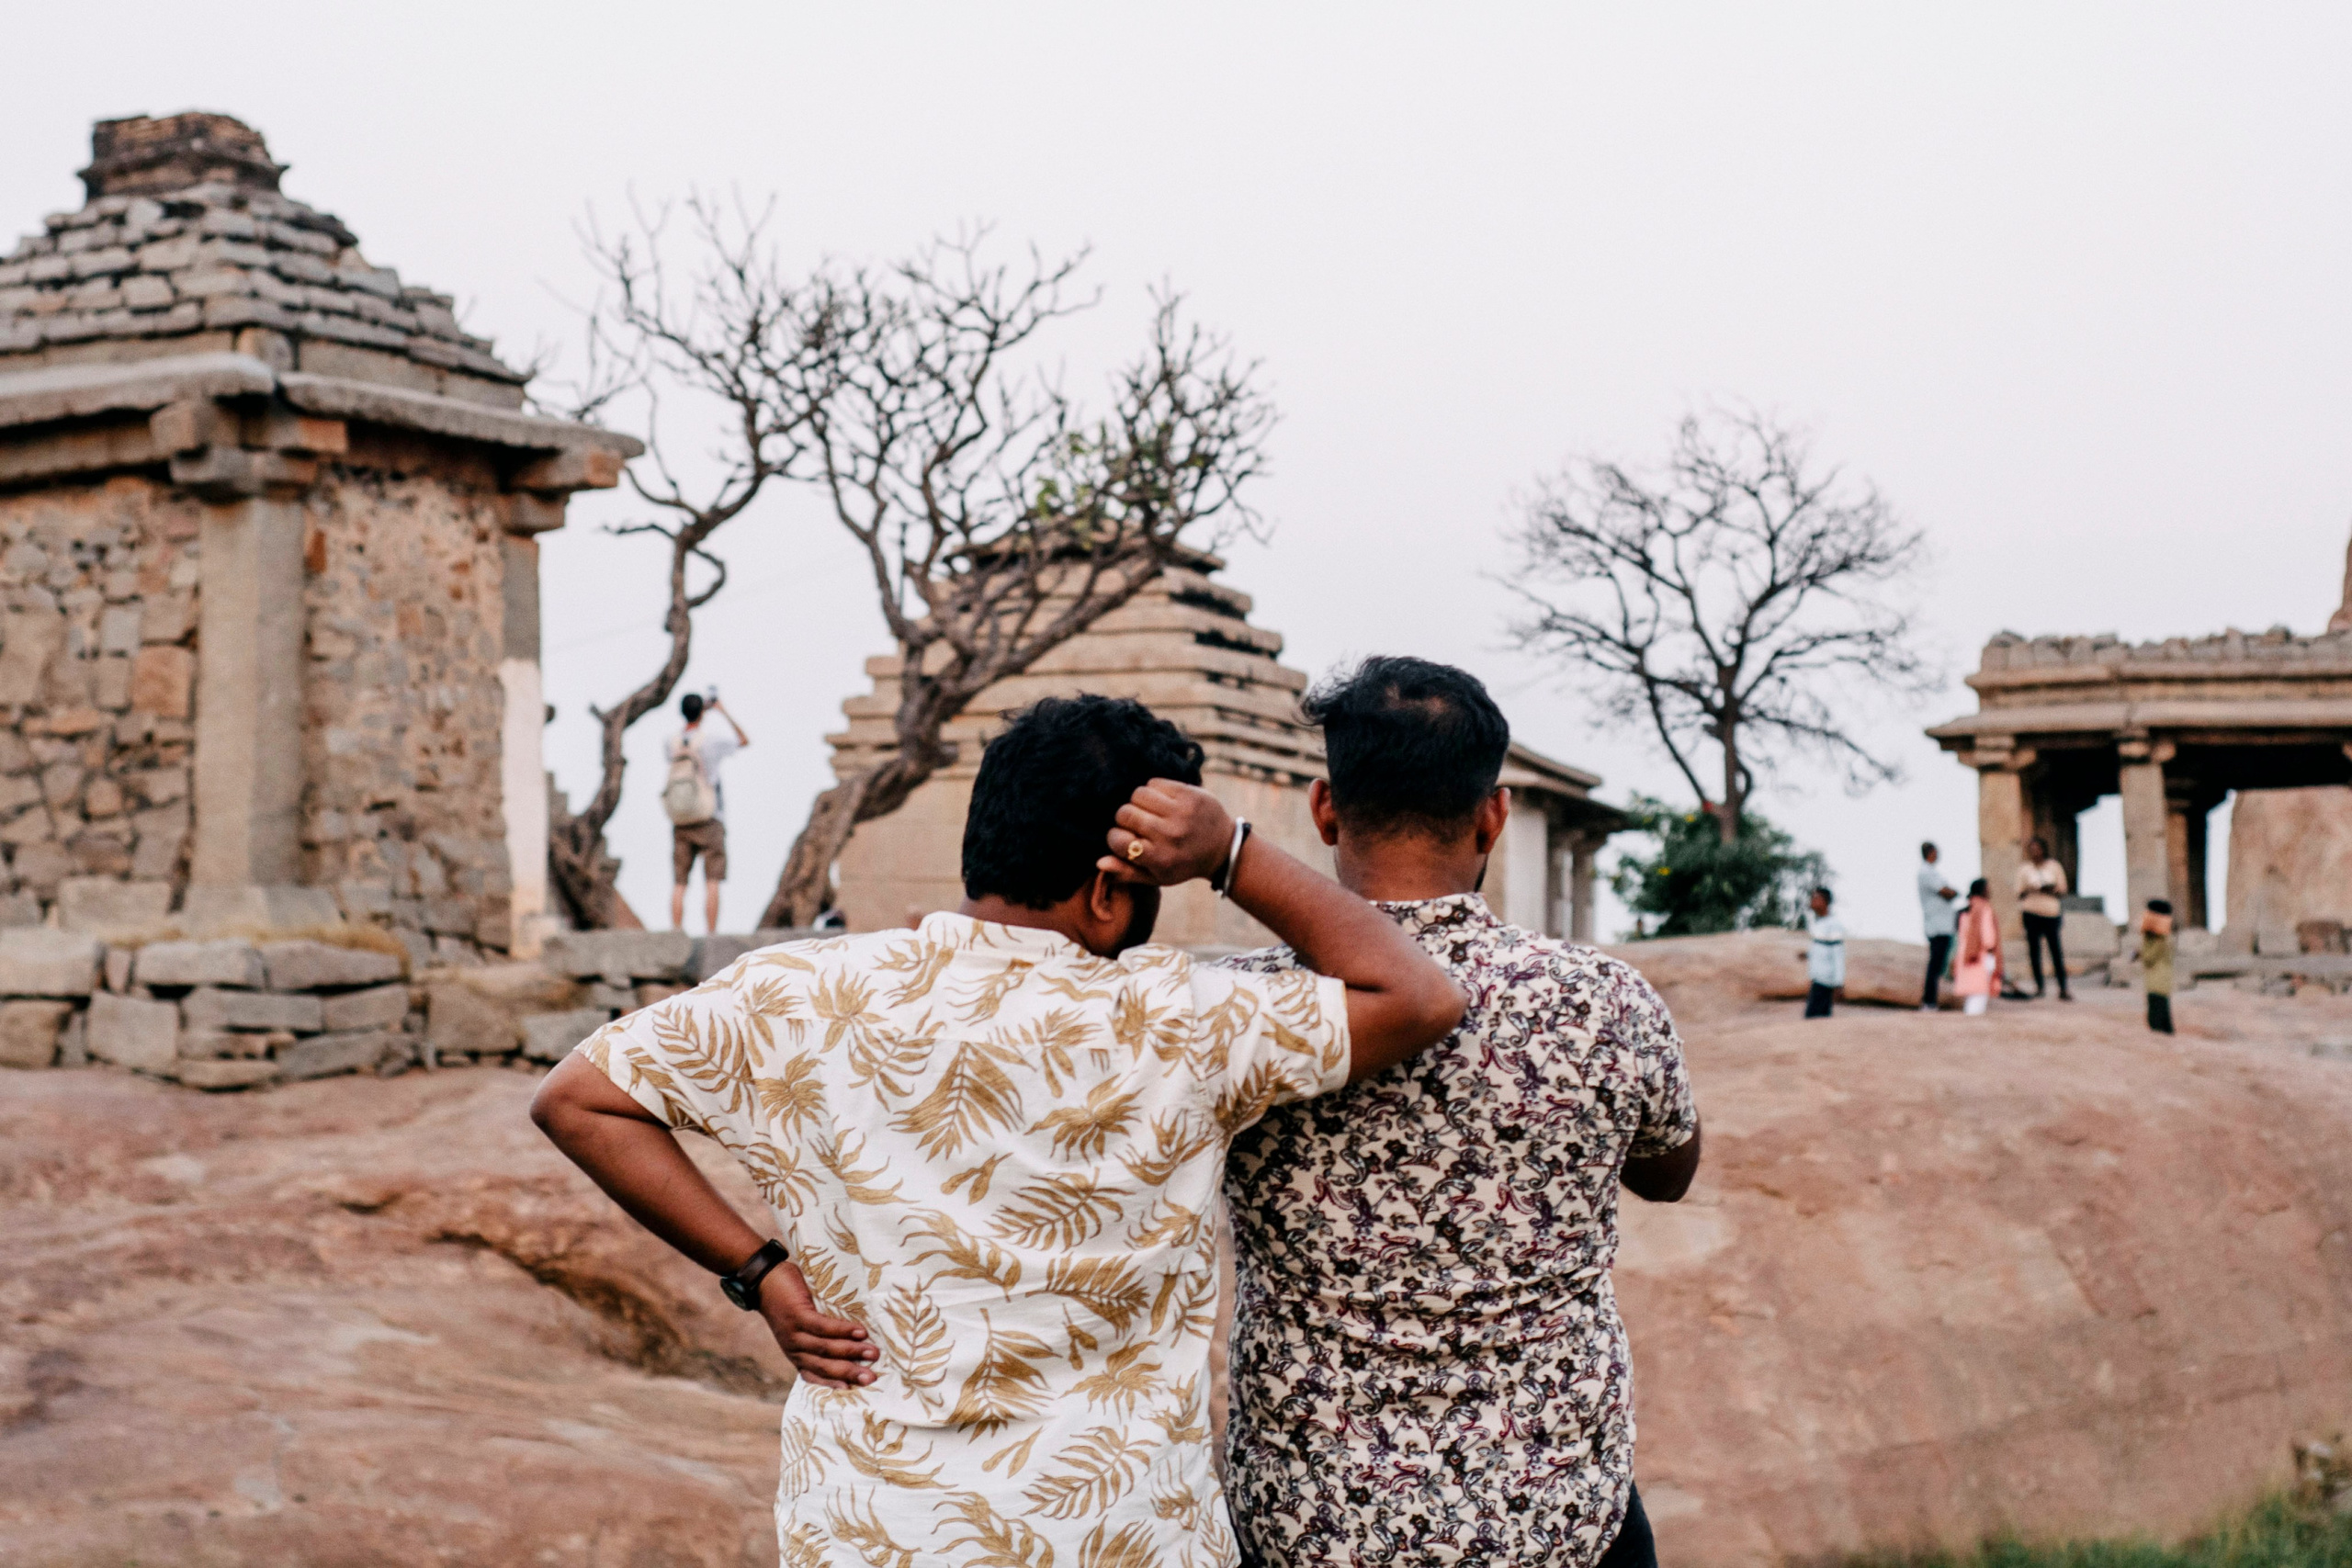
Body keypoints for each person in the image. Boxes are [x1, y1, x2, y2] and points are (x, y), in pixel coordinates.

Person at [781, 659, 1701, 1568]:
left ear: (1324, 808)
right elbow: (1668, 1170)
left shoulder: (1230, 1010)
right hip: (1560, 1517)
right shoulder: (1605, 1002)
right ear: (1494, 812)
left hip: (1310, 1521)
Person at [529, 694, 1465, 1565]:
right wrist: (1231, 855)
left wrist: (760, 1274)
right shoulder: (1184, 1018)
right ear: (1108, 893)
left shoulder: (798, 994)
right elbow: (1418, 994)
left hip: (873, 1530)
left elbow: (578, 1099)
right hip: (1116, 1532)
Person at [666, 691, 748, 934]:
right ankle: (711, 933)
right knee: (712, 880)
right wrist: (722, 710)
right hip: (709, 816)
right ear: (703, 712)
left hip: (680, 817)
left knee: (680, 882)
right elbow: (743, 740)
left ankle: (676, 930)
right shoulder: (710, 741)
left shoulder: (670, 742)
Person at [2016, 837, 2072, 1000]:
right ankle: (2039, 986)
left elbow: (2062, 890)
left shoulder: (2054, 867)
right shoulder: (2024, 869)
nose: (2034, 852)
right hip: (2031, 913)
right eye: (2031, 849)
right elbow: (2018, 892)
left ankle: (2063, 988)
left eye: (2037, 848)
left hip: (2051, 913)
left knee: (2056, 951)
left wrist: (2048, 890)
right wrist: (2032, 888)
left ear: (2043, 849)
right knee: (2034, 952)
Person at [1917, 841, 1960, 1011]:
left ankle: (1931, 999)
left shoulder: (1932, 872)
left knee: (1938, 964)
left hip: (1943, 924)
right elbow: (1946, 892)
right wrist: (1954, 892)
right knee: (1935, 965)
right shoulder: (1926, 872)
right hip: (1937, 925)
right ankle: (1929, 1001)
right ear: (1931, 852)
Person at [1955, 877, 2002, 1016]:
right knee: (1979, 992)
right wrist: (1993, 952)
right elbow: (1988, 937)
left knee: (1972, 992)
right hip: (1981, 956)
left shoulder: (1967, 909)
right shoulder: (1983, 909)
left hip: (1966, 954)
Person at [1804, 886, 1845, 1019]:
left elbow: (1838, 955)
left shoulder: (1834, 925)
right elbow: (1821, 949)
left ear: (1824, 901)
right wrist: (1808, 955)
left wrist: (1839, 983)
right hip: (1816, 980)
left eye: (1816, 898)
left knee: (1815, 1019)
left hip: (1825, 982)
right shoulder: (1819, 924)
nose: (1812, 901)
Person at [2141, 897, 2177, 1034]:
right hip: (2162, 983)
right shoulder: (2163, 937)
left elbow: (2148, 958)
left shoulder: (2159, 939)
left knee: (2156, 1021)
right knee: (2163, 1018)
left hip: (2157, 983)